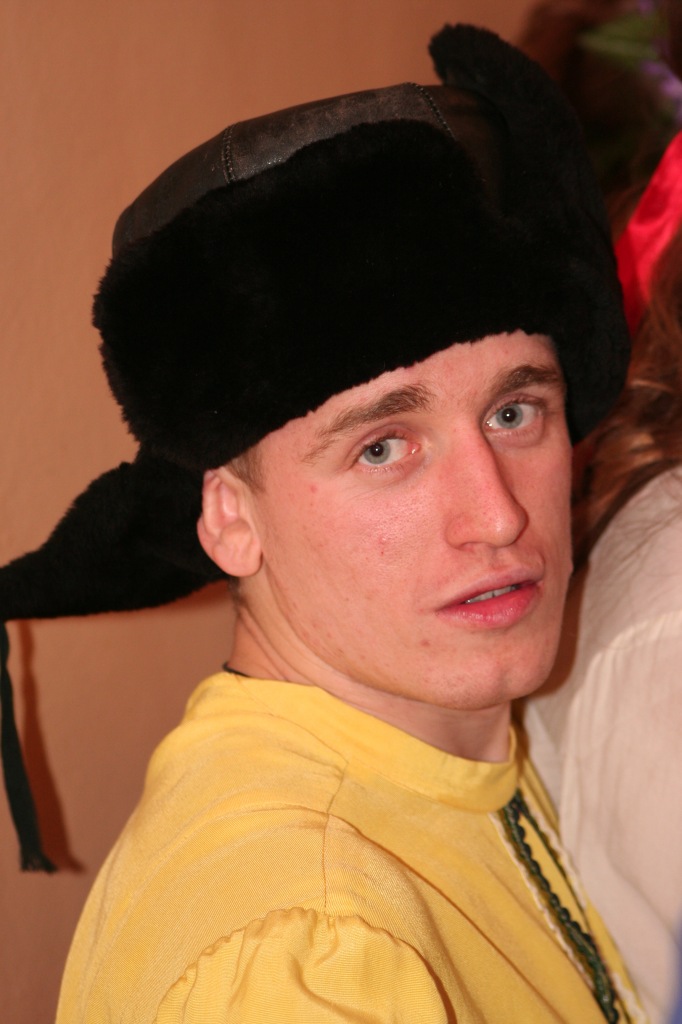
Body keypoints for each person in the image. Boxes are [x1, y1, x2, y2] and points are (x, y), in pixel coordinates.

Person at [0, 24, 644, 1023]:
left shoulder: (450, 757)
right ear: (229, 516)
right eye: (382, 448)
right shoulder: (306, 955)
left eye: (514, 412)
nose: (498, 513)